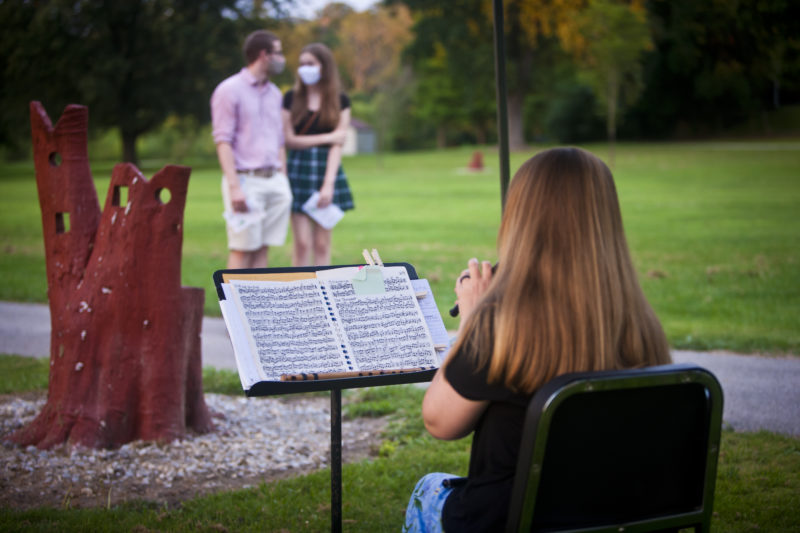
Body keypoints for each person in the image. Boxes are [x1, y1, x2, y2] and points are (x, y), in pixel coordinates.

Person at [403, 147, 672, 532]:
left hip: (516, 520)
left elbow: (440, 421)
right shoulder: (641, 324)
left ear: (520, 222)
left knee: (428, 489)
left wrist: (474, 321)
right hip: (614, 518)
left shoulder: (503, 327)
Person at [211, 30, 293, 269]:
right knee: (242, 249)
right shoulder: (229, 90)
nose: (282, 58)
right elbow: (222, 140)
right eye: (278, 52)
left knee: (262, 249)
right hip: (246, 182)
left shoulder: (275, 94)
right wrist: (234, 186)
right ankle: (231, 305)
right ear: (263, 54)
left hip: (274, 180)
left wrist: (282, 179)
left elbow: (278, 140)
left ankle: (258, 306)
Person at [281, 43, 354, 266]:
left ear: (324, 67)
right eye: (302, 64)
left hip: (326, 170)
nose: (305, 69)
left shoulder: (340, 100)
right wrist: (326, 137)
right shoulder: (291, 98)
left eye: (310, 64)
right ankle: (300, 294)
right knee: (302, 243)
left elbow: (338, 144)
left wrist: (328, 184)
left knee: (322, 243)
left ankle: (323, 293)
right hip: (298, 169)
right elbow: (288, 139)